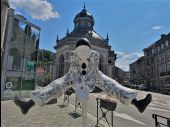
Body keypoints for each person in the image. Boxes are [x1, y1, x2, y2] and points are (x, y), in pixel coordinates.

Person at [14, 38, 152, 115]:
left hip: (94, 76)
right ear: (76, 50)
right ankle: (29, 104)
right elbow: (73, 72)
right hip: (74, 77)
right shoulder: (74, 56)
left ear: (90, 50)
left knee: (112, 84)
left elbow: (92, 72)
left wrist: (86, 86)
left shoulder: (96, 55)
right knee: (57, 85)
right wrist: (78, 86)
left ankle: (137, 103)